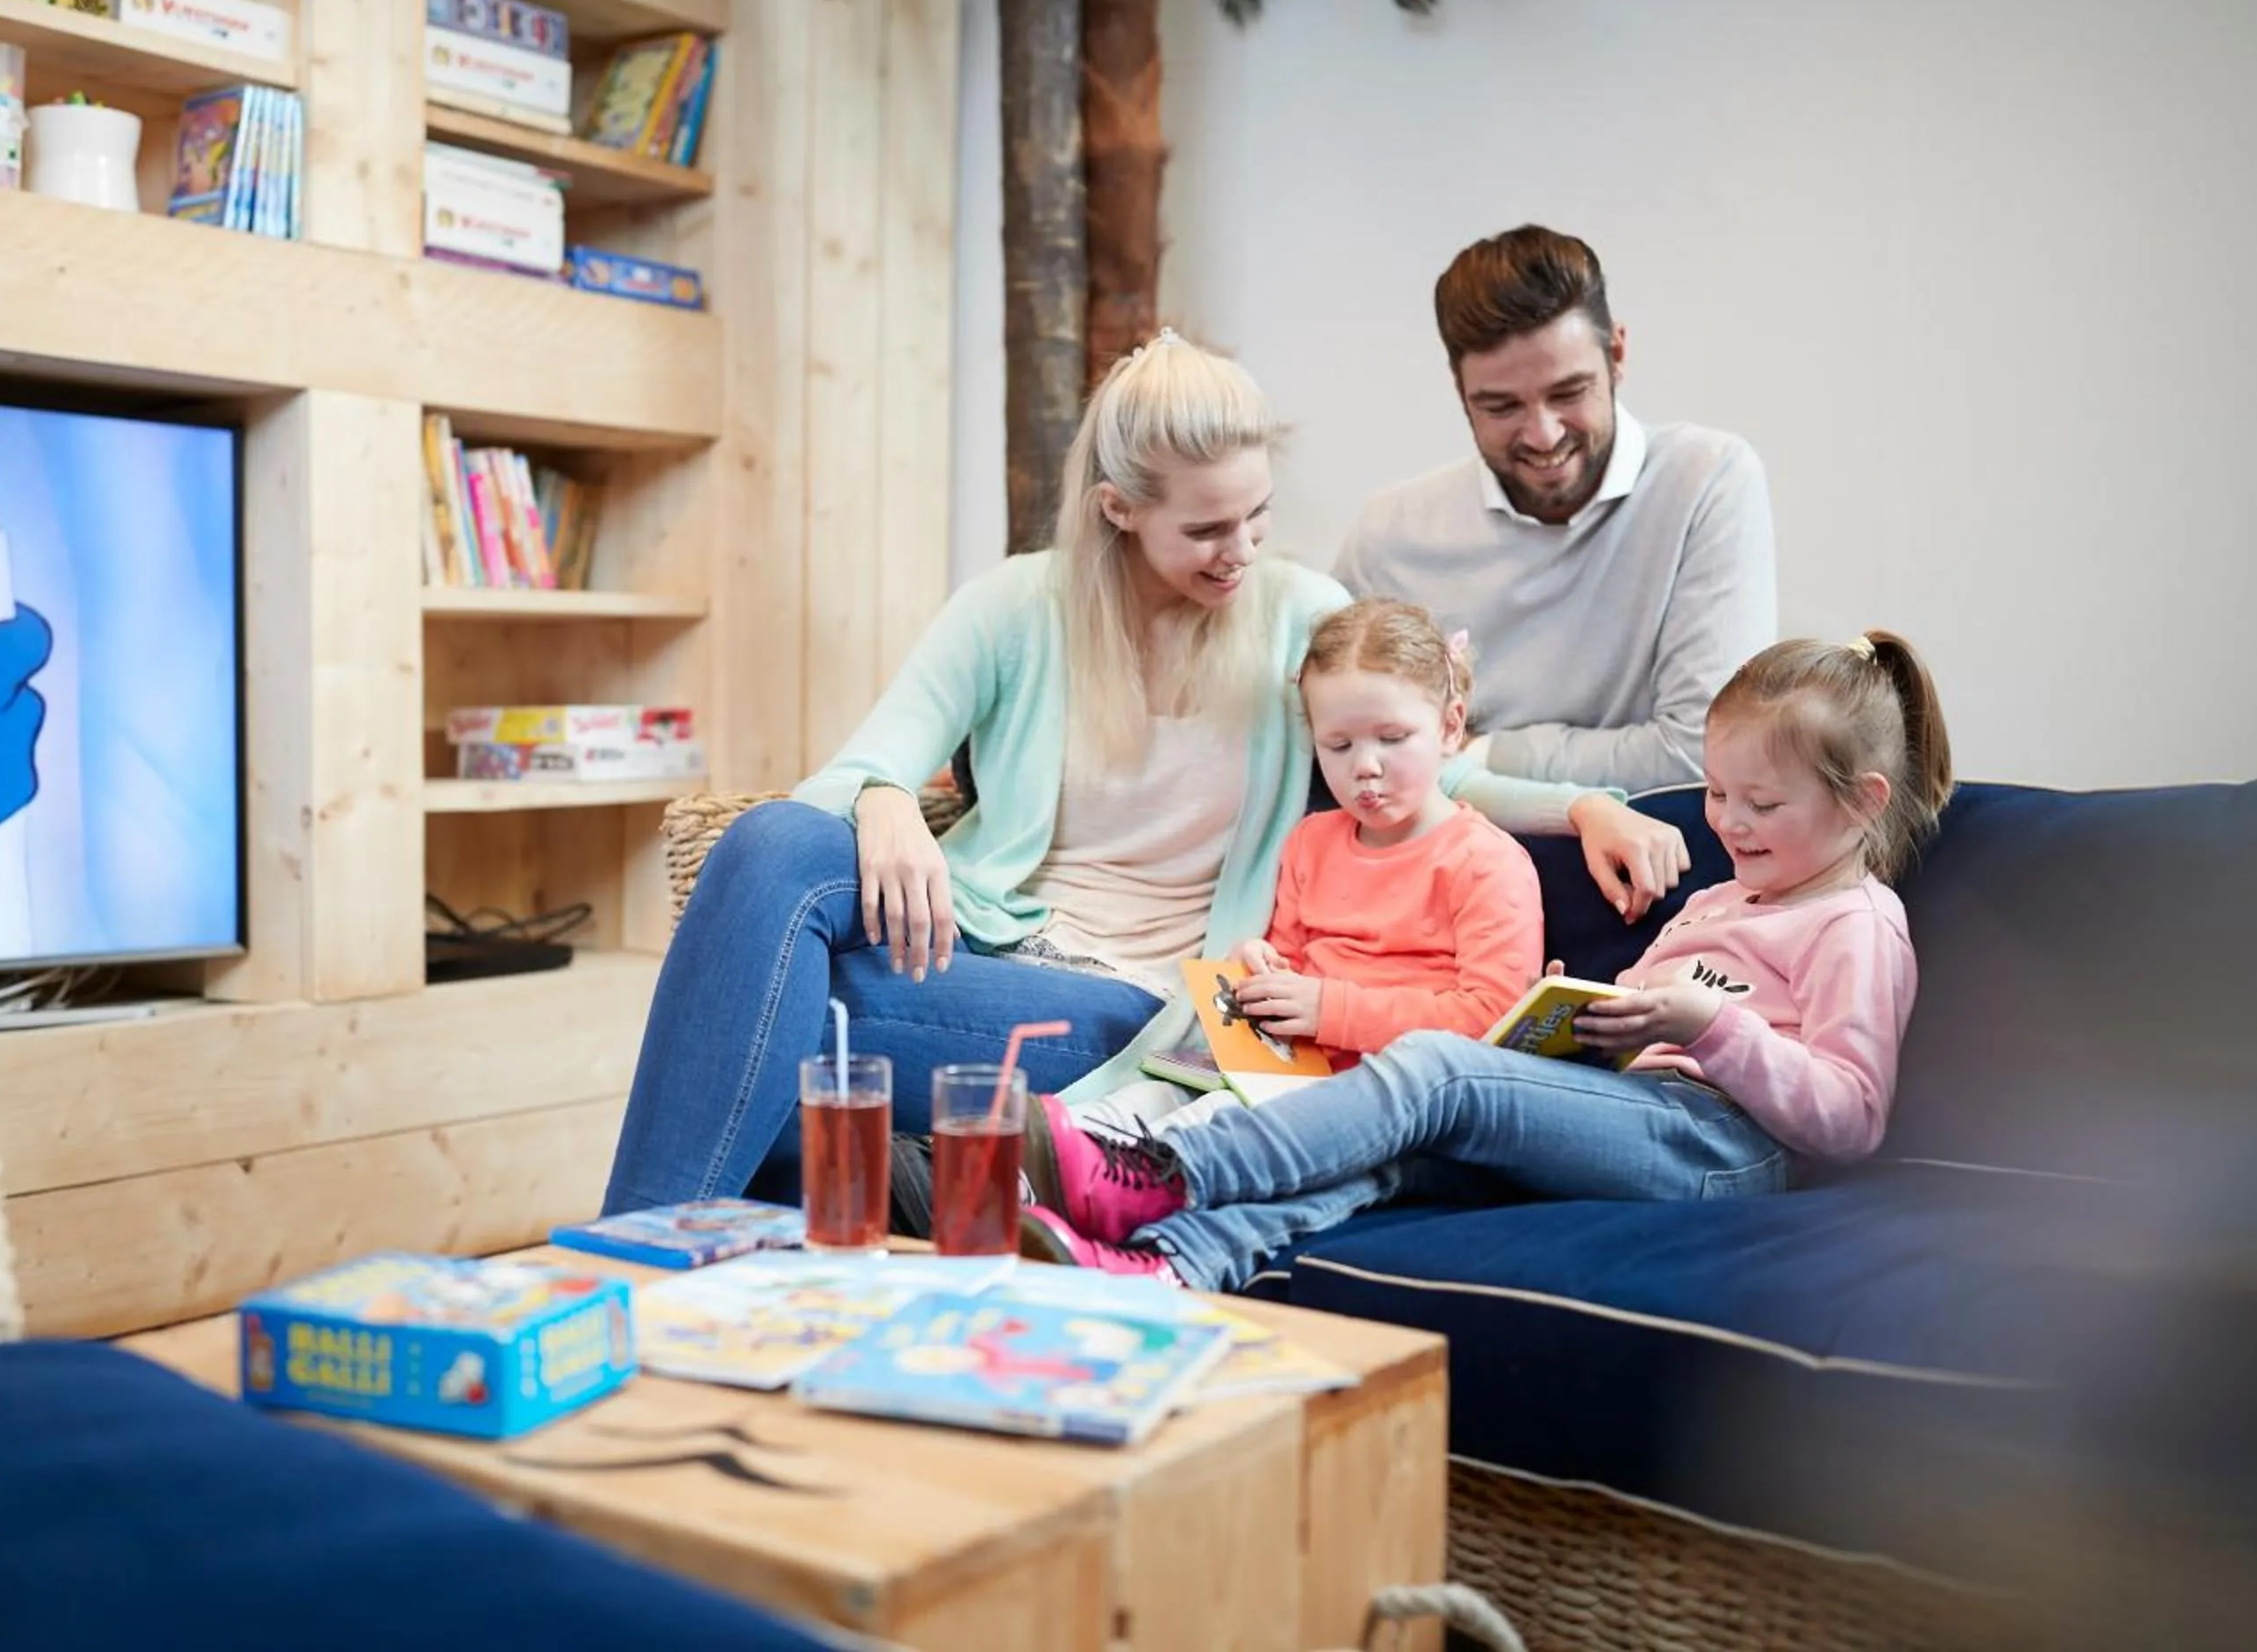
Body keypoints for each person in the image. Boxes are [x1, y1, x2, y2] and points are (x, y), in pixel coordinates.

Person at [600, 331, 1687, 1216]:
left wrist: (1583, 803)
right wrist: (885, 794)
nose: (1242, 550)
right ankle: (659, 1250)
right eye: (1206, 527)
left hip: (1145, 1004)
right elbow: (852, 770)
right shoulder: (1016, 606)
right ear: (1120, 506)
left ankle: (643, 1255)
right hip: (983, 941)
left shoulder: (1294, 615)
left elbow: (1411, 763)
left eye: (1258, 515)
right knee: (772, 846)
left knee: (772, 1003)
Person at [1018, 630, 1955, 1292]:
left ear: (1864, 801)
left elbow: (1851, 1117)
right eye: (1716, 792)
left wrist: (1710, 1025)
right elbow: (1640, 1025)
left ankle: (1165, 1169)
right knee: (1395, 1151)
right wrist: (1579, 1013)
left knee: (1432, 1071)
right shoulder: (1720, 900)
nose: (1728, 822)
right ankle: (1172, 1262)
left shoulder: (1858, 924)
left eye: (1762, 802)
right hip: (1638, 1114)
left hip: (1726, 1149)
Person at [1333, 225, 1778, 799]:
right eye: (1501, 406)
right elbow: (1322, 736)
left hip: (1659, 860)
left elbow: (1706, 750)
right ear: (1459, 391)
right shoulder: (1390, 534)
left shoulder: (1706, 480)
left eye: (1569, 393)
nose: (1543, 436)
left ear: (1617, 354)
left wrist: (1482, 752)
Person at [1219, 597, 1543, 1065]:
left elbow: (1496, 1018)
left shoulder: (1487, 862)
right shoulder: (1311, 841)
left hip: (1413, 1095)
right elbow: (1290, 962)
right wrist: (1260, 965)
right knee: (1155, 1100)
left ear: (1450, 727)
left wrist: (1329, 1010)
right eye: (1338, 745)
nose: (1365, 767)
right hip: (1288, 1073)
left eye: (1392, 739)